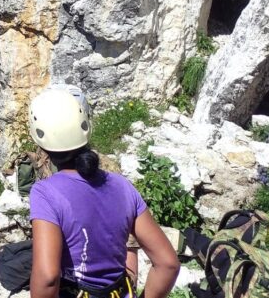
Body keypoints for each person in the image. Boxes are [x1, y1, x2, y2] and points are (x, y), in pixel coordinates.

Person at [28, 88, 179, 298]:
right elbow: (168, 264)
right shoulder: (122, 186)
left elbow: (47, 277)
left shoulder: (45, 193)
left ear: (40, 140)